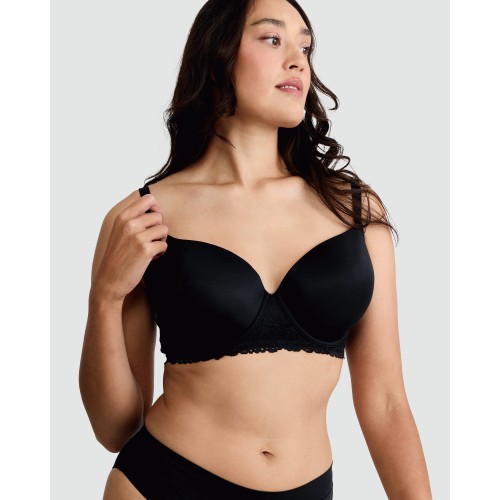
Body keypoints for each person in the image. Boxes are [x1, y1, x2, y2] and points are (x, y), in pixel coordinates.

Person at [79, 0, 432, 498]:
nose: (298, 61)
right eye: (272, 39)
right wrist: (104, 297)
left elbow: (387, 404)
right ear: (217, 57)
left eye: (305, 47)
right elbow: (115, 427)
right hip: (162, 483)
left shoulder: (353, 209)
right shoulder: (145, 217)